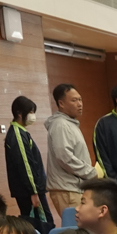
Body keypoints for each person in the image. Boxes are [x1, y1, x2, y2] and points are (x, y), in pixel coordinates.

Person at [45, 84, 98, 217]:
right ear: (61, 103)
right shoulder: (61, 125)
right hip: (67, 190)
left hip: (73, 188)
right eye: (74, 100)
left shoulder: (69, 123)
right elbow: (64, 157)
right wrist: (90, 172)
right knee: (75, 228)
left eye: (80, 99)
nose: (80, 104)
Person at [4, 96, 53, 234]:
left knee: (37, 225)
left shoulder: (21, 132)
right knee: (43, 225)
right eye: (30, 112)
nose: (33, 116)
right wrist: (34, 192)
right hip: (30, 193)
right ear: (19, 113)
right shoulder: (17, 135)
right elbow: (25, 165)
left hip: (31, 191)